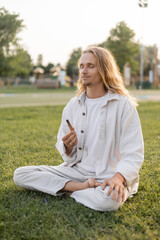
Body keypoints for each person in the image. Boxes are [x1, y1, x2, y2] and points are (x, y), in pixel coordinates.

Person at [14, 46, 144, 211]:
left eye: (90, 66)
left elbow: (134, 152)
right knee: (20, 174)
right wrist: (68, 147)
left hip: (108, 175)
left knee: (109, 201)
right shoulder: (72, 106)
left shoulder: (123, 105)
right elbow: (69, 158)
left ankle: (68, 190)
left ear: (104, 69)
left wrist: (118, 178)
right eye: (82, 66)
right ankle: (78, 188)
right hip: (76, 172)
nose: (84, 70)